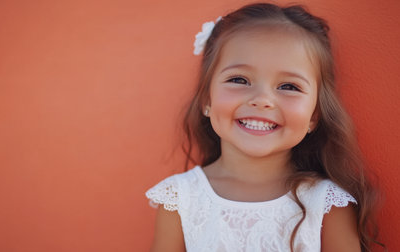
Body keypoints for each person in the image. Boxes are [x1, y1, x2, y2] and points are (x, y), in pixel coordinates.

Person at [145, 3, 383, 252]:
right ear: (206, 99)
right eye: (239, 80)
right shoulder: (180, 199)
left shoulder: (326, 204)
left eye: (289, 86)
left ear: (314, 115)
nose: (262, 100)